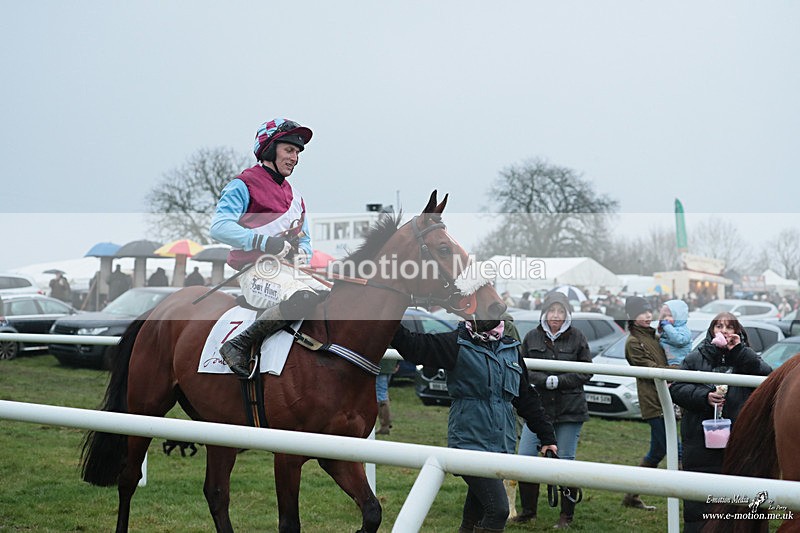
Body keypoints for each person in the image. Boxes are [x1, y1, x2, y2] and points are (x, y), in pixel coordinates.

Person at [391, 318, 557, 533]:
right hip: (469, 442)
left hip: (500, 446)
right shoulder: (455, 343)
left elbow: (525, 397)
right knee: (498, 510)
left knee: (474, 516)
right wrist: (387, 312)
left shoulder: (511, 348)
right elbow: (412, 345)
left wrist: (547, 437)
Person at [209, 118, 328, 378]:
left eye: (297, 152)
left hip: (288, 271)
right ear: (269, 149)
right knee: (305, 299)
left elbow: (305, 240)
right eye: (289, 150)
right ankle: (237, 345)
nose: (294, 158)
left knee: (335, 297)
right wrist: (263, 242)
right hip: (253, 271)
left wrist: (301, 254)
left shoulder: (297, 197)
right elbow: (219, 227)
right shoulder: (243, 184)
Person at [670, 313, 771, 532]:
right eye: (719, 326)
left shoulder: (747, 357)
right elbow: (677, 388)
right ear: (711, 331)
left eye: (729, 327)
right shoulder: (696, 358)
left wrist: (740, 352)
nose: (724, 331)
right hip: (700, 443)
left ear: (739, 332)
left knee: (740, 503)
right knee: (700, 502)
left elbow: (767, 378)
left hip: (741, 442)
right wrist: (704, 397)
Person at [511, 292, 592, 529]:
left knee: (565, 461)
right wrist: (545, 380)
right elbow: (521, 368)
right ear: (545, 312)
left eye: (561, 311)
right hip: (537, 409)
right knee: (525, 459)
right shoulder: (531, 337)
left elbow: (587, 370)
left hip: (570, 409)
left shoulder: (578, 337)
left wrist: (560, 381)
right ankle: (528, 511)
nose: (556, 316)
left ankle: (566, 516)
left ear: (567, 314)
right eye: (552, 310)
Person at [620, 296, 678, 511]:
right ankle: (694, 497)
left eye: (648, 311)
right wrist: (683, 370)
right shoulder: (634, 342)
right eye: (641, 313)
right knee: (677, 450)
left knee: (656, 453)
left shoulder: (654, 336)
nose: (647, 316)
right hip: (653, 403)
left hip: (666, 400)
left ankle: (631, 496)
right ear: (631, 317)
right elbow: (652, 369)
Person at [657, 299, 692, 366]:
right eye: (664, 316)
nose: (666, 318)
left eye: (670, 316)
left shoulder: (683, 329)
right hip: (668, 362)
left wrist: (667, 326)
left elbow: (679, 340)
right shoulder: (667, 329)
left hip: (680, 362)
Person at [375, 356, 398, 435]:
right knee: (383, 393)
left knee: (381, 395)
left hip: (380, 365)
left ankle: (385, 425)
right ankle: (385, 424)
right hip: (390, 364)